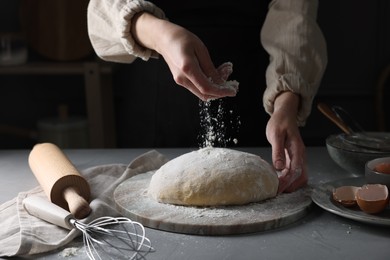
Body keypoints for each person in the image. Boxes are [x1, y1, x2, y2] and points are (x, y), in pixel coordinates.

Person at [87, 0, 327, 193]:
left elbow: (295, 17)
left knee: (250, 200)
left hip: (257, 92)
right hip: (157, 94)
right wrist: (160, 35)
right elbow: (101, 10)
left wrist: (286, 102)